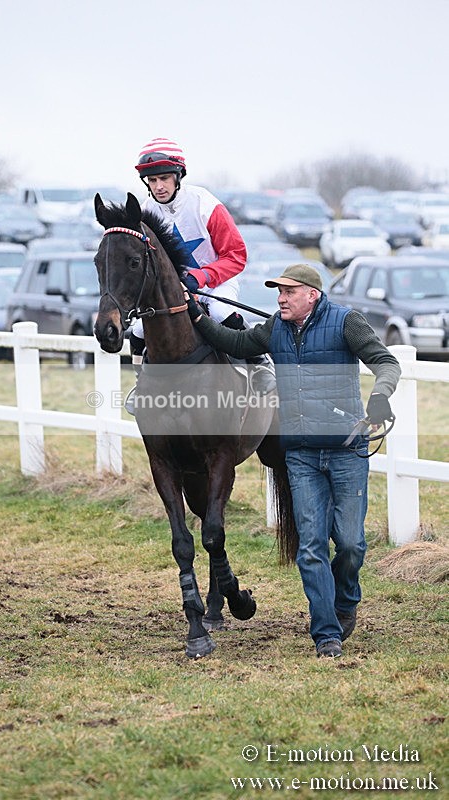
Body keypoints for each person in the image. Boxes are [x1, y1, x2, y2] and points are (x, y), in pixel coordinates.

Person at [185, 263, 401, 658]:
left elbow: (386, 362)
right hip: (300, 454)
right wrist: (196, 313)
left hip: (346, 449)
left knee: (350, 544)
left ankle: (345, 599)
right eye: (278, 292)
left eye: (288, 292)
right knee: (312, 546)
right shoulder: (276, 329)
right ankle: (326, 635)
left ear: (311, 295)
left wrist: (381, 394)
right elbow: (236, 342)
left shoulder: (345, 322)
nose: (280, 299)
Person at [126, 137, 274, 411]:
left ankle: (260, 366)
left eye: (164, 179)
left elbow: (236, 255)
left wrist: (201, 277)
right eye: (152, 180)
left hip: (216, 282)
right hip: (173, 289)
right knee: (137, 330)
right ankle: (141, 383)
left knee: (219, 313)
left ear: (178, 176)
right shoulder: (146, 212)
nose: (158, 187)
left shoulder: (204, 203)